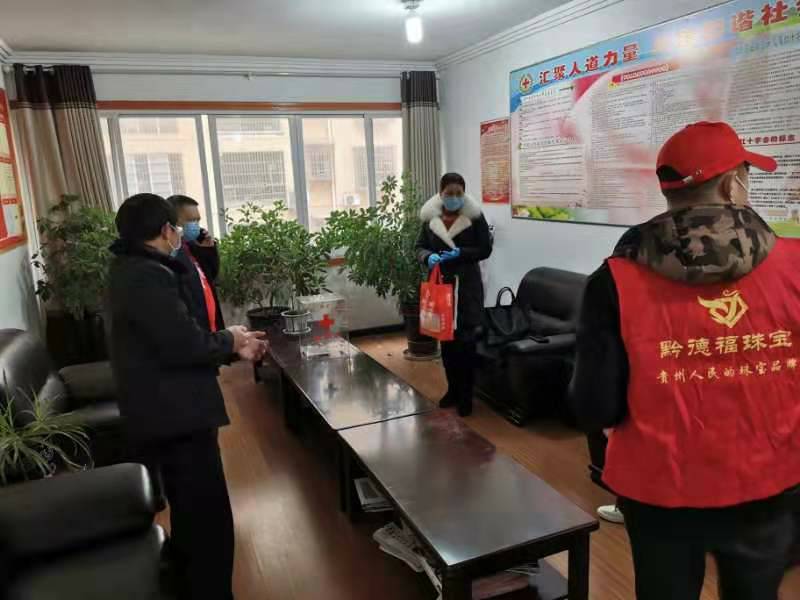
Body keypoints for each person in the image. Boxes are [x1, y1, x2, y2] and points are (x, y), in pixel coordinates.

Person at [570, 121, 800, 599]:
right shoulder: (795, 266)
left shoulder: (614, 281)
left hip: (660, 490)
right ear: (732, 185)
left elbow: (595, 407)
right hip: (770, 482)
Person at [108, 193, 267, 600]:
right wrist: (229, 339)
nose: (184, 232)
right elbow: (184, 344)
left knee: (193, 513)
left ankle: (192, 586)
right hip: (176, 415)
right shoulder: (147, 275)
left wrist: (228, 344)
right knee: (206, 517)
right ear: (166, 230)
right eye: (180, 227)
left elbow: (176, 337)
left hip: (169, 409)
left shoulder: (133, 267)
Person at [416, 173, 493, 417]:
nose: (454, 198)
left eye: (459, 193)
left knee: (466, 343)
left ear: (464, 193)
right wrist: (428, 257)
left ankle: (466, 396)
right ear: (440, 193)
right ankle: (452, 390)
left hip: (467, 286)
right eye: (449, 193)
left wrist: (461, 253)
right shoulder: (430, 216)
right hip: (441, 285)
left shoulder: (475, 216)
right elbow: (419, 247)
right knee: (447, 342)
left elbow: (485, 248)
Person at [167, 194, 224, 332]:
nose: (196, 226)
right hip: (195, 332)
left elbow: (211, 276)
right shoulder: (171, 256)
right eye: (191, 220)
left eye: (198, 220)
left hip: (212, 328)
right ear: (174, 224)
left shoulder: (192, 247)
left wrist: (208, 250)